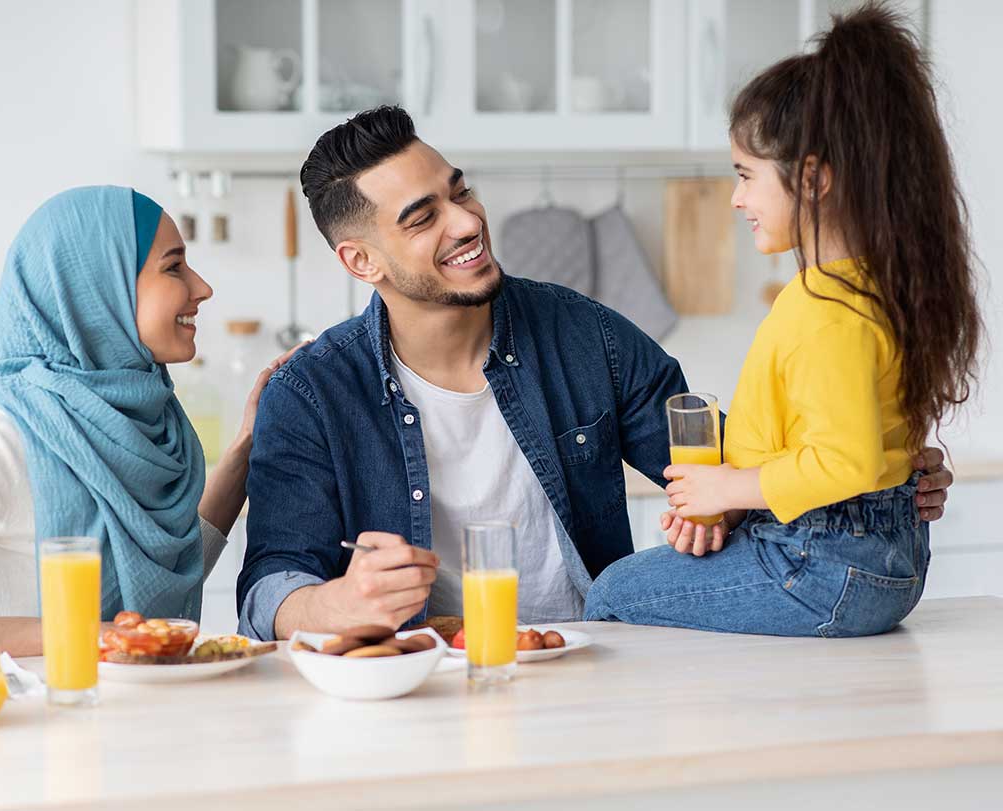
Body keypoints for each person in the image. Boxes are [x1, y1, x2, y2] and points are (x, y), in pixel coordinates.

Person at [235, 105, 954, 642]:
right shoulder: (311, 392)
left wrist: (877, 461)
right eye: (423, 218)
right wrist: (341, 602)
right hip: (425, 676)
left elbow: (732, 471)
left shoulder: (585, 335)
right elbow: (269, 589)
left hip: (594, 659)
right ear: (362, 261)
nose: (465, 222)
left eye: (461, 192)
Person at [585, 4, 982, 637]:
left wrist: (725, 491)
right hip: (881, 559)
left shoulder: (824, 306)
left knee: (613, 591)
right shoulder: (881, 284)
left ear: (814, 178)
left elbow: (843, 461)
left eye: (746, 175)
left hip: (821, 562)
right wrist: (730, 498)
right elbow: (866, 441)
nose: (737, 197)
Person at [0, 186, 296, 666]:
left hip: (142, 724)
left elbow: (161, 577)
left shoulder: (153, 422)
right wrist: (88, 634)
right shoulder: (4, 436)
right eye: (173, 267)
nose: (202, 288)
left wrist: (246, 448)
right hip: (35, 726)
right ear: (96, 289)